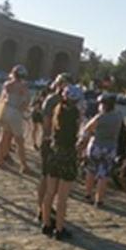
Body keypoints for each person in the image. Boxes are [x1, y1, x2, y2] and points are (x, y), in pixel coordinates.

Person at [41, 85, 83, 241]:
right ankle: (59, 228)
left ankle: (46, 224)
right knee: (63, 197)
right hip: (68, 154)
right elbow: (76, 133)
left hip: (55, 152)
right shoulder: (75, 114)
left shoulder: (58, 110)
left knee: (50, 192)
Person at [36, 74, 71, 220]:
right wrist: (48, 138)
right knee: (46, 177)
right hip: (49, 142)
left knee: (51, 179)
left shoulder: (62, 100)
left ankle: (46, 207)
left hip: (56, 142)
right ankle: (41, 208)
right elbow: (46, 122)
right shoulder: (52, 100)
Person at [80, 93, 124, 207]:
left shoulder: (100, 117)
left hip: (97, 146)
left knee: (91, 170)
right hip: (111, 148)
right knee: (103, 175)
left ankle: (88, 194)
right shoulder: (118, 116)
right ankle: (99, 200)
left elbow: (87, 128)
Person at [0, 65, 32, 173]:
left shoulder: (7, 84)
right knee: (19, 141)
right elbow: (26, 102)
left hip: (5, 109)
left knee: (3, 137)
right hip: (15, 112)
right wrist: (22, 111)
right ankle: (24, 165)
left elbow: (2, 98)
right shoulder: (23, 87)